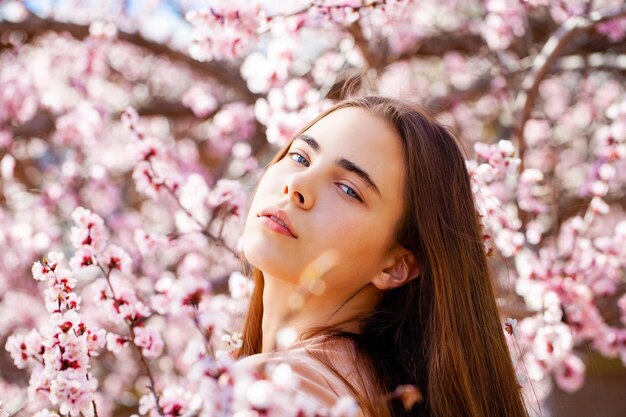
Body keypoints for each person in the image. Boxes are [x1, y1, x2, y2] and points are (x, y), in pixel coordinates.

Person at [235, 95, 528, 417]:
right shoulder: (374, 396)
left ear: (397, 265)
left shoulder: (278, 393)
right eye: (301, 157)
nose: (297, 185)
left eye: (348, 189)